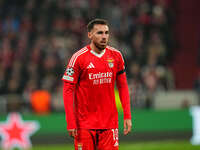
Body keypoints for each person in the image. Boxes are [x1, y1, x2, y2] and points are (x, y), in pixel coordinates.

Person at [62, 18, 132, 150]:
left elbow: (123, 87)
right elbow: (67, 90)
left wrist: (127, 115)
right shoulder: (78, 58)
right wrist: (71, 122)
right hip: (84, 125)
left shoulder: (116, 56)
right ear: (90, 35)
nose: (104, 37)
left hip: (109, 124)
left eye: (106, 33)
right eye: (100, 33)